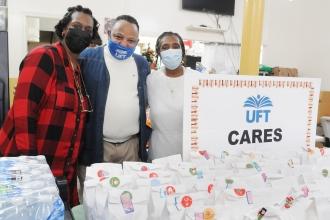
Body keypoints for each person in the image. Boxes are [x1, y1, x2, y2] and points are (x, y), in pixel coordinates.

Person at [0, 5, 99, 207]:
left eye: (88, 30)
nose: (83, 32)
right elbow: (23, 113)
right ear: (64, 29)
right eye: (77, 26)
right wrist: (32, 168)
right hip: (28, 170)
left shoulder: (77, 71)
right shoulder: (44, 56)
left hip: (60, 172)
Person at [78, 15, 150, 192]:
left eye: (131, 40)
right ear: (109, 33)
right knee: (96, 197)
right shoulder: (89, 57)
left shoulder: (141, 64)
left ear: (137, 42)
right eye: (118, 37)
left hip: (131, 147)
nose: (124, 44)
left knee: (130, 196)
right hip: (97, 145)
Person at [147, 32, 199, 160]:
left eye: (176, 46)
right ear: (159, 53)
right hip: (159, 150)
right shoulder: (151, 79)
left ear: (182, 51)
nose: (171, 50)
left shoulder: (197, 78)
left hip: (190, 152)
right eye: (165, 47)